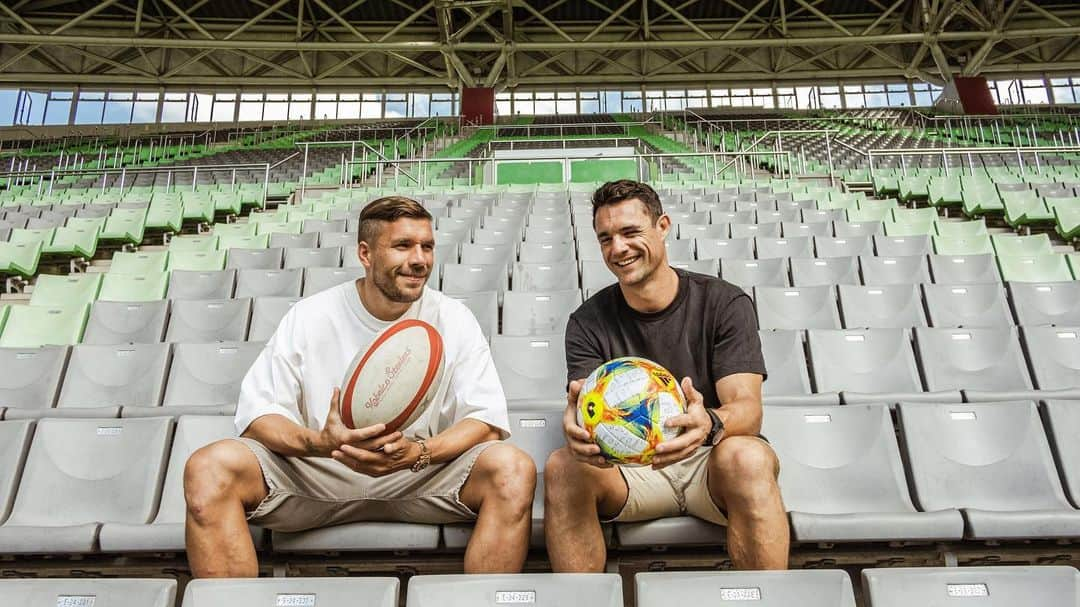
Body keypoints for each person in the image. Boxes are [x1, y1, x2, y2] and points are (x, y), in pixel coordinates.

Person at [184, 196, 535, 577]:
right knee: (208, 467)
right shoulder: (310, 315)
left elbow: (484, 421)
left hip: (418, 473)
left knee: (512, 467)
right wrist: (319, 443)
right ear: (365, 254)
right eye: (403, 246)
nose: (420, 260)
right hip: (319, 470)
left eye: (427, 246)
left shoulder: (453, 318)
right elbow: (259, 416)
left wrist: (419, 451)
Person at [545, 180, 789, 571]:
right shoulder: (587, 322)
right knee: (562, 466)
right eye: (605, 238)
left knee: (748, 456)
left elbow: (747, 410)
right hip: (629, 470)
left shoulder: (724, 303)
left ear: (663, 226)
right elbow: (584, 407)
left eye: (630, 232)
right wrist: (577, 431)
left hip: (707, 461)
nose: (618, 248)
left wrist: (708, 421)